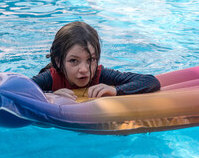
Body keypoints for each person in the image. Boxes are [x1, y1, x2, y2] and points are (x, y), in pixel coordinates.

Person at [32, 21, 161, 100]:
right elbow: (17, 90)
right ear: (59, 62)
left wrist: (115, 91)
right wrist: (50, 94)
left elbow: (150, 81)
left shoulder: (99, 75)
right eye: (73, 61)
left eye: (91, 59)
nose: (84, 69)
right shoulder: (51, 78)